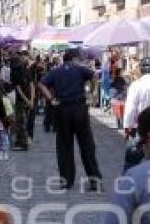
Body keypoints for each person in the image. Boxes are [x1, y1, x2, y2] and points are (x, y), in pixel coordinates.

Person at [39, 49, 103, 190]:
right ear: (74, 58)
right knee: (87, 145)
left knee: (64, 146)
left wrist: (51, 99)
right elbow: (94, 77)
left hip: (62, 109)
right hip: (79, 108)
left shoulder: (56, 71)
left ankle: (66, 180)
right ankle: (94, 180)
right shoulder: (80, 69)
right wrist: (92, 94)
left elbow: (42, 84)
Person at [10, 57, 34, 150]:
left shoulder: (14, 73)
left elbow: (18, 89)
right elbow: (32, 86)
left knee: (20, 121)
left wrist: (26, 100)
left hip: (21, 100)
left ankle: (23, 144)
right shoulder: (27, 70)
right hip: (29, 99)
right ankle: (20, 140)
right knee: (25, 120)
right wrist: (31, 99)